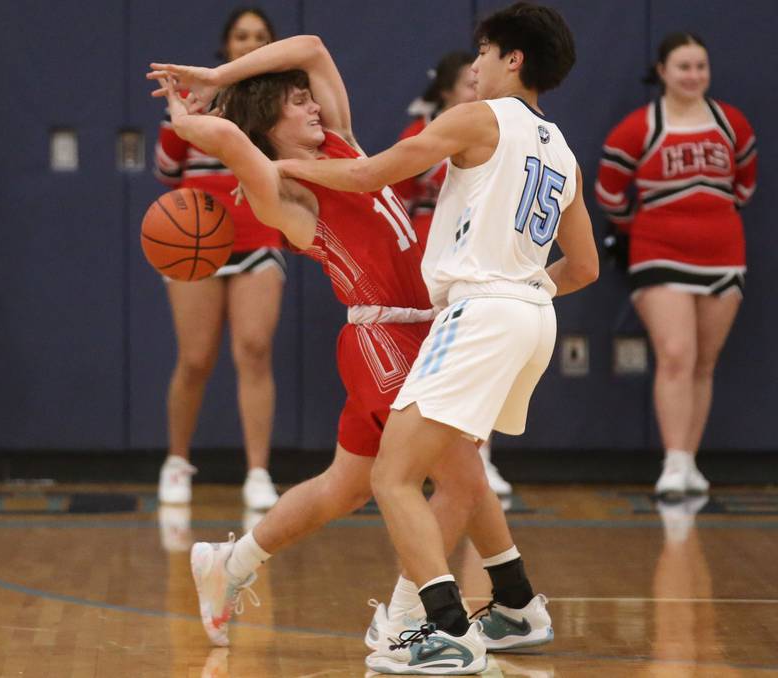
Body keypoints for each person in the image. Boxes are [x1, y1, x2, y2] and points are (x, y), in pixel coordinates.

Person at [148, 28, 552, 673]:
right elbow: (228, 140)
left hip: (428, 324)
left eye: (312, 99)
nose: (313, 106)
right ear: (269, 121)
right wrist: (191, 116)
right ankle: (431, 617)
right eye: (297, 102)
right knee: (458, 468)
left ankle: (231, 562)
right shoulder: (282, 187)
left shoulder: (342, 145)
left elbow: (309, 46)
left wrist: (219, 74)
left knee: (346, 487)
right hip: (382, 336)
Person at [278, 3, 597, 673]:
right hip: (532, 318)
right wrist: (524, 290)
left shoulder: (477, 118)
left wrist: (285, 168)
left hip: (479, 315)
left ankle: (443, 631)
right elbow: (586, 267)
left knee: (395, 476)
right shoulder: (561, 146)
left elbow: (370, 175)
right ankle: (513, 605)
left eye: (483, 53)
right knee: (457, 469)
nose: (474, 66)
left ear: (513, 58)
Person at [595, 32, 757, 497]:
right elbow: (609, 194)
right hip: (657, 252)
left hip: (724, 253)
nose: (693, 76)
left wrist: (714, 218)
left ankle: (688, 461)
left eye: (700, 66)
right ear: (662, 71)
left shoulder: (733, 124)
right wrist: (645, 228)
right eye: (684, 67)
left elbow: (744, 182)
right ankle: (671, 463)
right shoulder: (638, 128)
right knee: (676, 354)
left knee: (704, 361)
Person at [154, 7, 284, 510]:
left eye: (259, 37)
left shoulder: (283, 101)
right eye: (241, 36)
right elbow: (167, 171)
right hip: (194, 238)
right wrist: (179, 117)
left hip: (260, 237)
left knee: (253, 350)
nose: (249, 44)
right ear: (226, 46)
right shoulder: (195, 96)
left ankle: (257, 471)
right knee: (195, 358)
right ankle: (176, 461)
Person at [395, 49, 513, 498]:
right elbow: (395, 201)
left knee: (478, 362)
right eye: (468, 82)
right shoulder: (420, 135)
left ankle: (480, 458)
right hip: (428, 258)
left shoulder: (501, 134)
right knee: (426, 364)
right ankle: (422, 460)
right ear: (445, 90)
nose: (476, 88)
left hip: (480, 257)